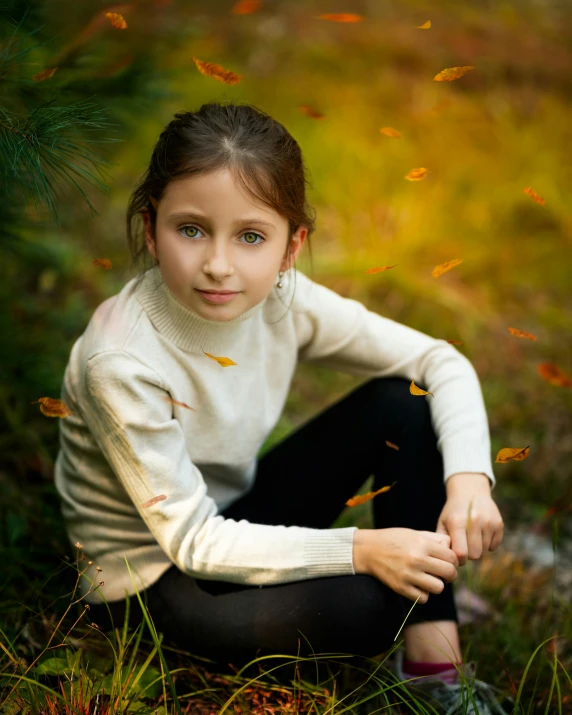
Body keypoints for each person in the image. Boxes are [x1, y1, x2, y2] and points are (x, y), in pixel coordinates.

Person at [54, 101, 513, 714]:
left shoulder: (282, 299)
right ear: (149, 227)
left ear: (291, 246)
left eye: (250, 236)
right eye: (190, 229)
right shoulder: (121, 360)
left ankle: (435, 663)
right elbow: (192, 544)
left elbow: (439, 361)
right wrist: (359, 550)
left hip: (237, 517)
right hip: (154, 581)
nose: (219, 263)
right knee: (377, 603)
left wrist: (469, 481)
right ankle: (422, 599)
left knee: (404, 403)